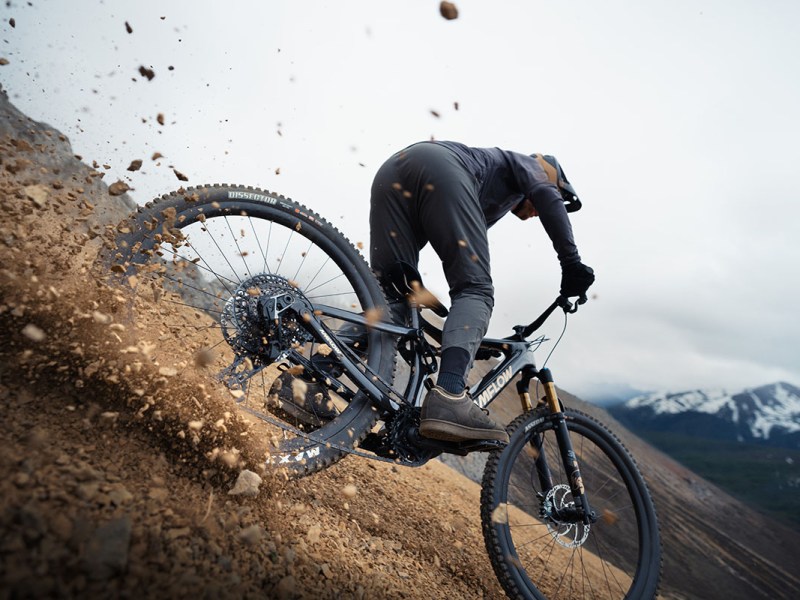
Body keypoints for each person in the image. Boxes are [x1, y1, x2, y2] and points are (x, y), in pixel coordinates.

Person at [369, 141, 595, 445]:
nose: (536, 214)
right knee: (475, 289)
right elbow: (546, 195)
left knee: (391, 300)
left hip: (393, 170)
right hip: (440, 167)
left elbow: (439, 237)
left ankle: (315, 376)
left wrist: (467, 339)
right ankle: (450, 394)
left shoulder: (494, 190)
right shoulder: (532, 167)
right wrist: (572, 264)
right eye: (546, 201)